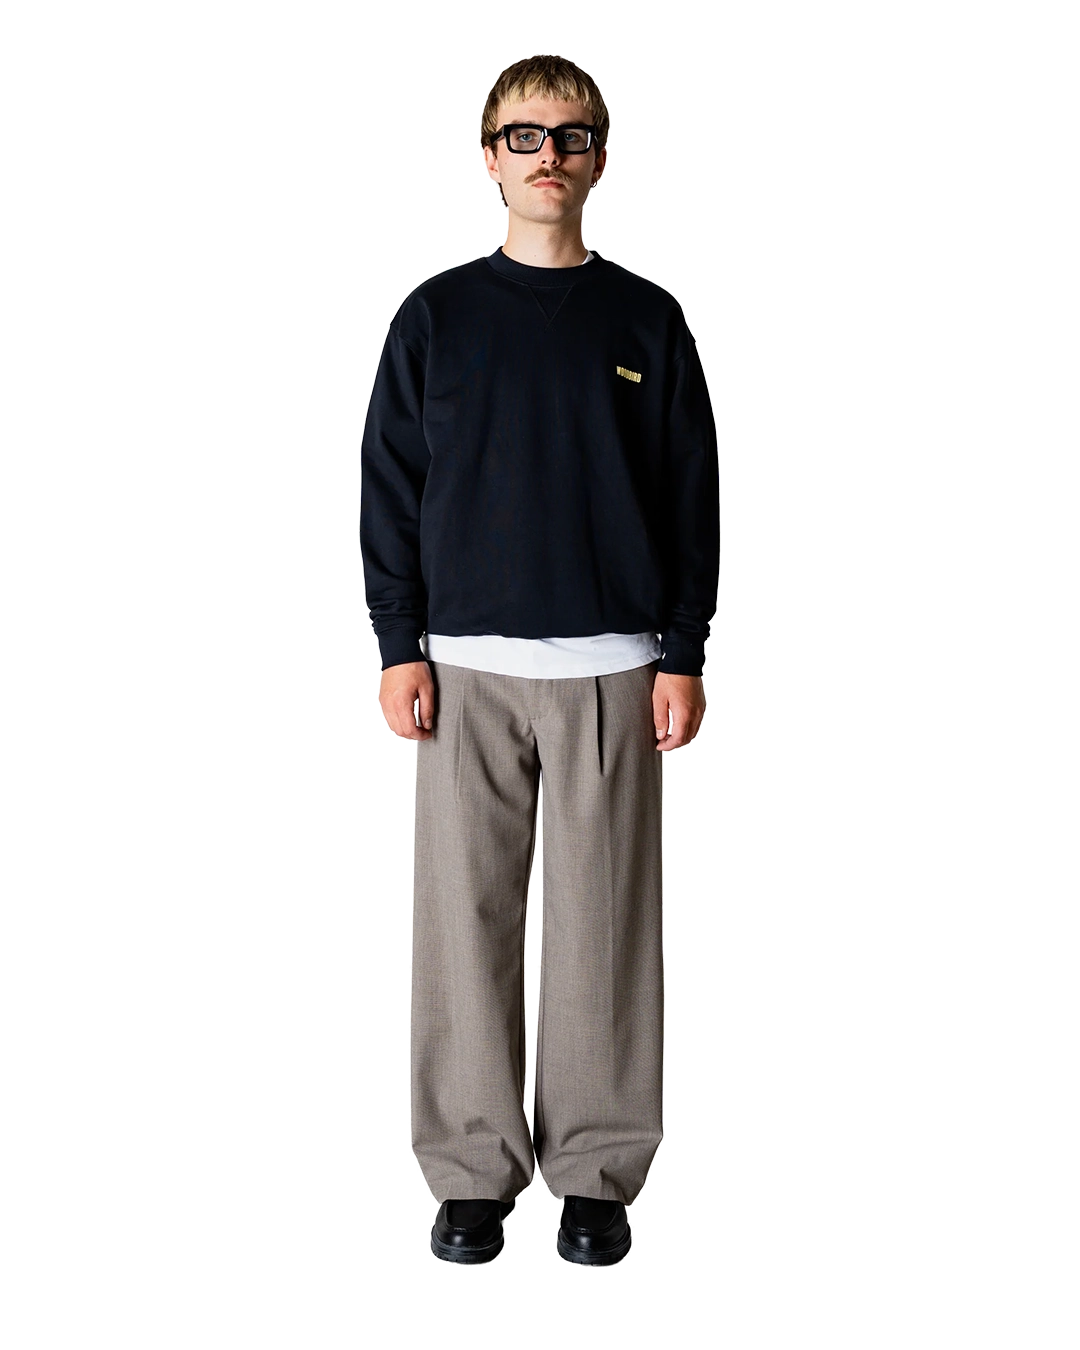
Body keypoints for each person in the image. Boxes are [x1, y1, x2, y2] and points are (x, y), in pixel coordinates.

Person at [359, 54, 720, 1264]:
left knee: (602, 931)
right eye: (524, 135)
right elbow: (391, 491)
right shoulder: (437, 317)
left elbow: (688, 496)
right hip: (464, 668)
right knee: (459, 926)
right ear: (489, 156)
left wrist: (682, 651)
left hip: (614, 668)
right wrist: (397, 644)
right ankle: (470, 1175)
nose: (547, 156)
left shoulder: (645, 322)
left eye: (569, 135)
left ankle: (595, 1176)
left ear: (599, 157)